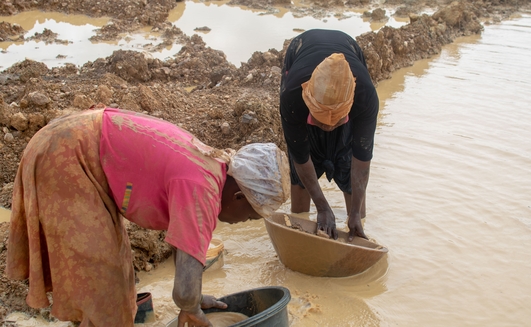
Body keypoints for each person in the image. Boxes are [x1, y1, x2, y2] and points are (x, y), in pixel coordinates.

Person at [6, 107, 290, 327]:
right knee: (100, 285)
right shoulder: (202, 189)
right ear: (239, 196)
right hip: (68, 154)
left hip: (79, 144)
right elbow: (183, 291)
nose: (244, 223)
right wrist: (190, 307)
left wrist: (194, 300)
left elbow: (184, 255)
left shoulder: (211, 167)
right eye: (251, 216)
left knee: (116, 275)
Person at [279, 29, 379, 241]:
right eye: (321, 120)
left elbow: (361, 159)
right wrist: (322, 207)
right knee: (301, 175)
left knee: (347, 157)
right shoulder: (292, 96)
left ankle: (356, 223)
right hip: (302, 50)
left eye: (336, 120)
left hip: (348, 46)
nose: (328, 127)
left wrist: (354, 215)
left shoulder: (365, 96)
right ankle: (300, 228)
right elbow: (300, 156)